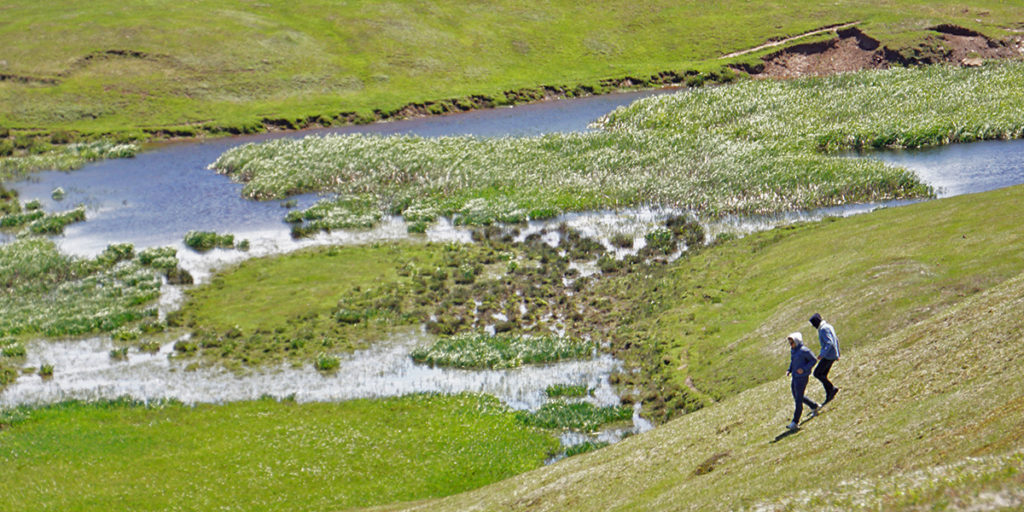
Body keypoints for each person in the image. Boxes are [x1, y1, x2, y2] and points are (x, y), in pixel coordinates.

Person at [786, 332, 819, 430]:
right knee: (797, 396)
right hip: (795, 377)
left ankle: (795, 422)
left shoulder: (804, 351)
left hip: (802, 378)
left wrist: (804, 369)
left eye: (792, 343)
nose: (791, 345)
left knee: (798, 400)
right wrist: (789, 369)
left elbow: (813, 360)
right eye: (790, 343)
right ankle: (814, 406)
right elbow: (793, 362)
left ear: (797, 341)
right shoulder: (793, 351)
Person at [810, 313, 840, 407]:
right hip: (832, 354)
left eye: (813, 323)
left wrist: (821, 355)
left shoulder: (823, 329)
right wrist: (838, 352)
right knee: (823, 375)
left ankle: (832, 389)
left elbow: (829, 343)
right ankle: (829, 393)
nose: (813, 326)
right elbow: (836, 339)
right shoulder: (828, 326)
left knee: (817, 373)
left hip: (829, 356)